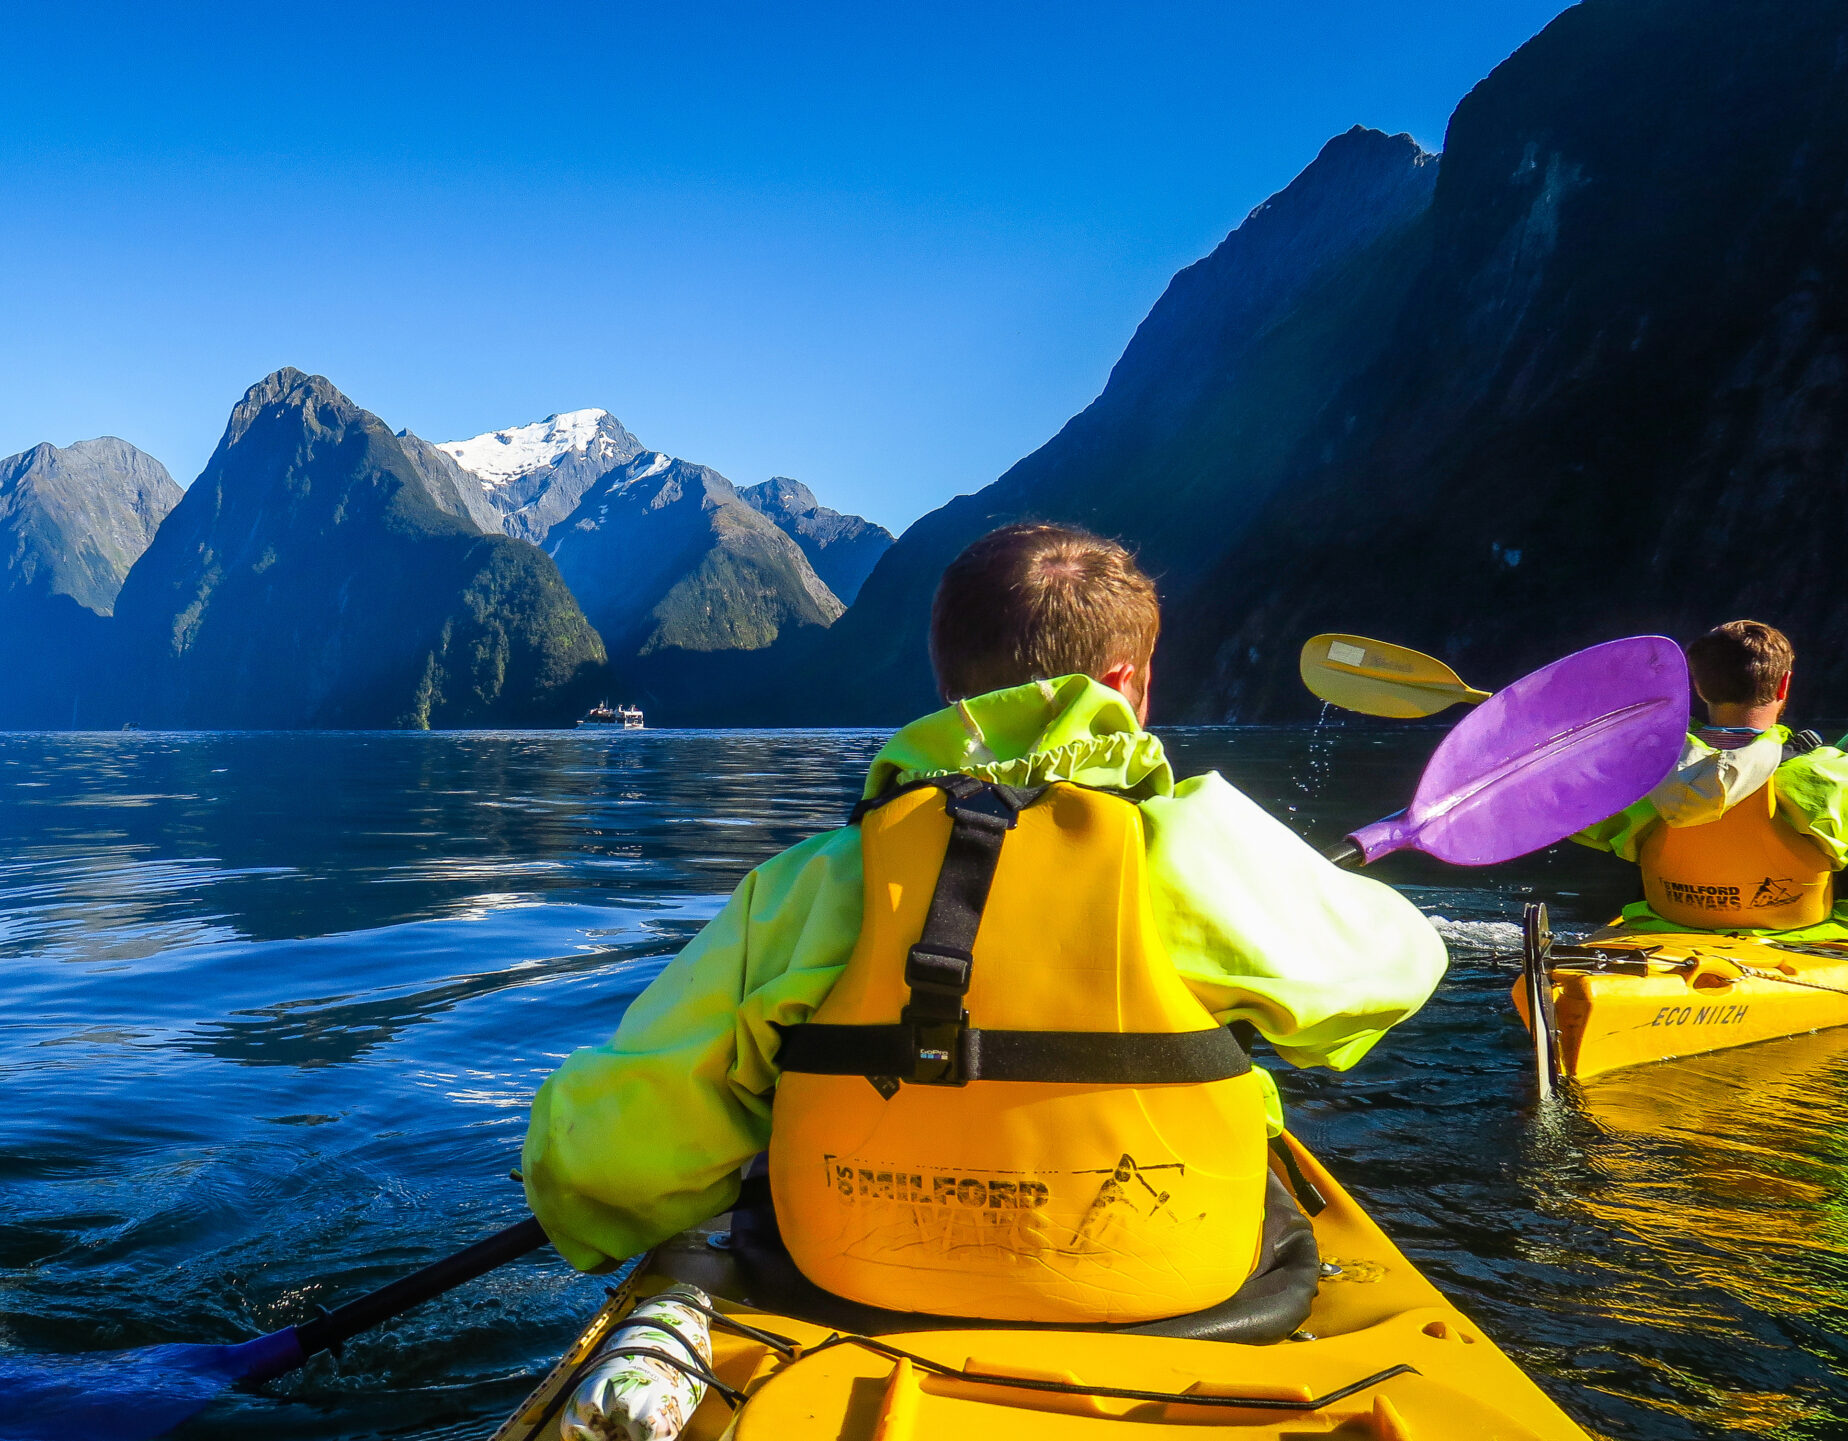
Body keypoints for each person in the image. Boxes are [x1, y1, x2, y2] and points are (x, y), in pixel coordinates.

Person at [519, 522, 1447, 1330]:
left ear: (947, 681)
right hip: (1184, 1292)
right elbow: (1402, 965)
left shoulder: (804, 887)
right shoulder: (1202, 851)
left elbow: (599, 1161)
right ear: (1126, 683)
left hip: (850, 1283)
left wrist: (598, 1208)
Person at [1575, 620, 1848, 937]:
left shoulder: (1642, 778)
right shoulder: (1825, 775)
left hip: (1665, 931)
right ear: (1783, 684)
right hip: (1806, 935)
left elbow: (1567, 814)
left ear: (1699, 686)